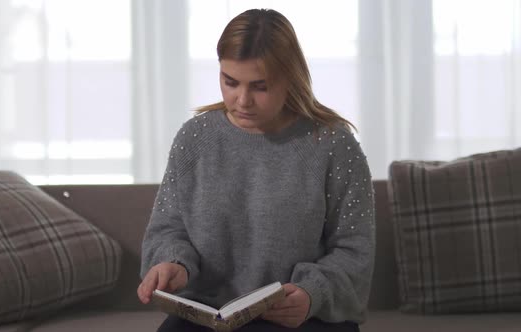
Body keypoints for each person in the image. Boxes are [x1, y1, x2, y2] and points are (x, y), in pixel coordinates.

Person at [138, 8, 375, 332]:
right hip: (210, 314)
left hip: (303, 315)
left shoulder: (334, 145)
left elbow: (354, 249)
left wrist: (312, 294)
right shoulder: (194, 138)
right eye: (230, 82)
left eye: (260, 86)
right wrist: (173, 264)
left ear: (290, 78)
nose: (242, 100)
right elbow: (167, 228)